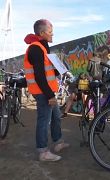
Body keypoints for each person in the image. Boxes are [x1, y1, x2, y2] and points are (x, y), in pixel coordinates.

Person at [24, 19, 69, 162]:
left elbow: (49, 71)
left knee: (56, 116)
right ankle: (43, 152)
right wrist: (50, 95)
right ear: (42, 33)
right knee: (44, 120)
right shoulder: (36, 48)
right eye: (50, 32)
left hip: (47, 91)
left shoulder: (43, 48)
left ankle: (58, 143)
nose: (52, 34)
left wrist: (59, 68)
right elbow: (39, 75)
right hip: (43, 92)